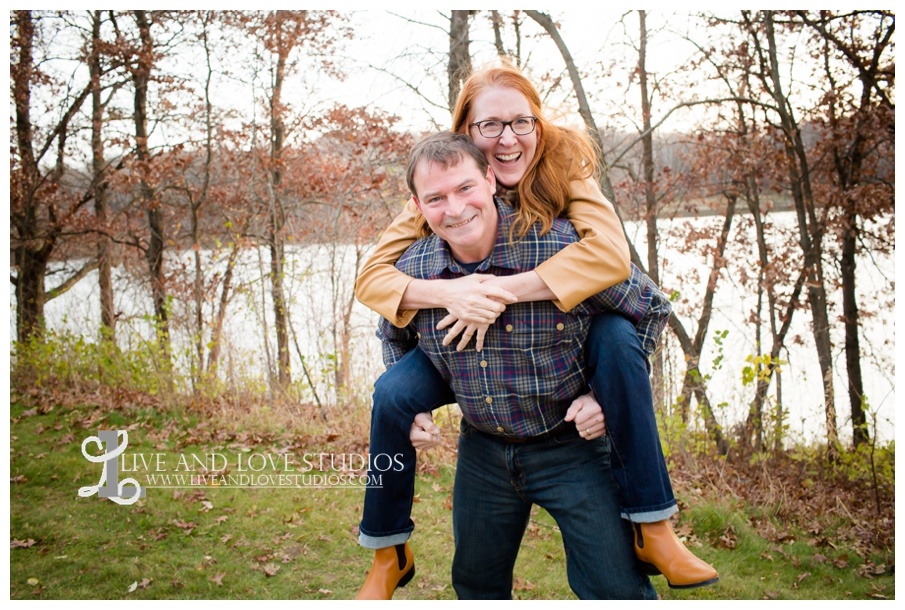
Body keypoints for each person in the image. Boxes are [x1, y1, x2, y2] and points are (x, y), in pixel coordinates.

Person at [354, 63, 717, 599]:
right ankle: (388, 549)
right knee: (393, 398)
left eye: (520, 123)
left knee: (616, 586)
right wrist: (451, 298)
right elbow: (386, 309)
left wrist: (507, 291)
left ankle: (654, 524)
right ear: (467, 139)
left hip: (566, 435)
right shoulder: (431, 221)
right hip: (484, 439)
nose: (507, 138)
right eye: (490, 126)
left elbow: (634, 286)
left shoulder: (561, 216)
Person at [385, 131, 666, 598]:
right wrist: (413, 407)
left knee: (617, 588)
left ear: (491, 179)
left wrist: (605, 396)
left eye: (465, 188)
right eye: (436, 198)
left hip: (570, 447)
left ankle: (655, 532)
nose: (454, 209)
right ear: (417, 205)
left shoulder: (558, 245)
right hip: (483, 452)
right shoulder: (415, 268)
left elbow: (651, 309)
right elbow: (392, 335)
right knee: (475, 587)